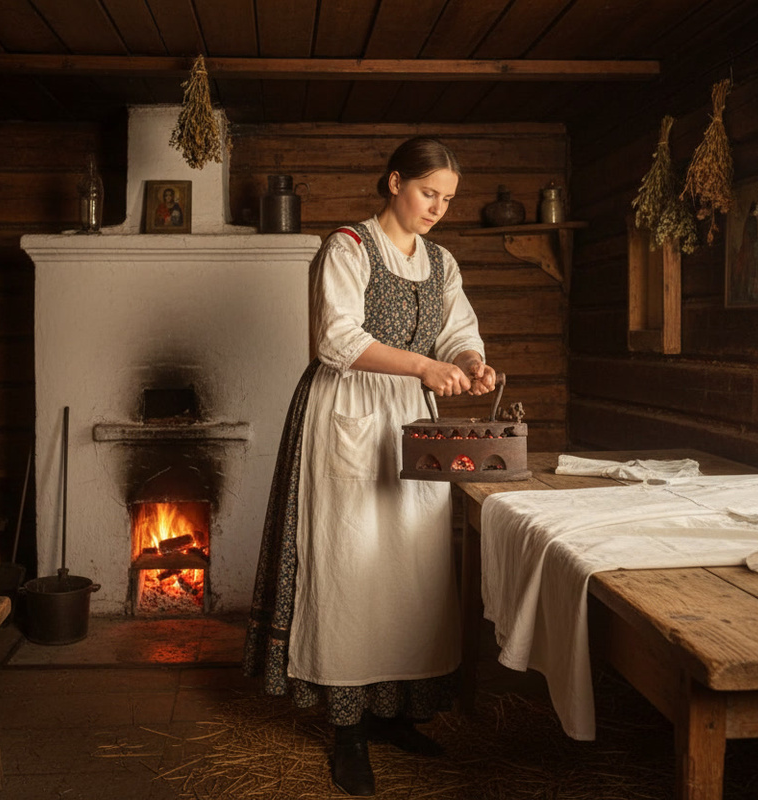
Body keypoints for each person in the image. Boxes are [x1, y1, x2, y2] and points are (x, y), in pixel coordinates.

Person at [244, 137, 496, 796]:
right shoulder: (348, 247)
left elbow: (457, 330)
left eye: (446, 199)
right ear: (393, 183)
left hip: (412, 418)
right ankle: (348, 730)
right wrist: (424, 366)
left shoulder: (441, 261)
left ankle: (395, 714)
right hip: (347, 412)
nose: (437, 208)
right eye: (427, 193)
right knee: (350, 566)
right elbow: (336, 339)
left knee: (412, 564)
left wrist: (469, 362)